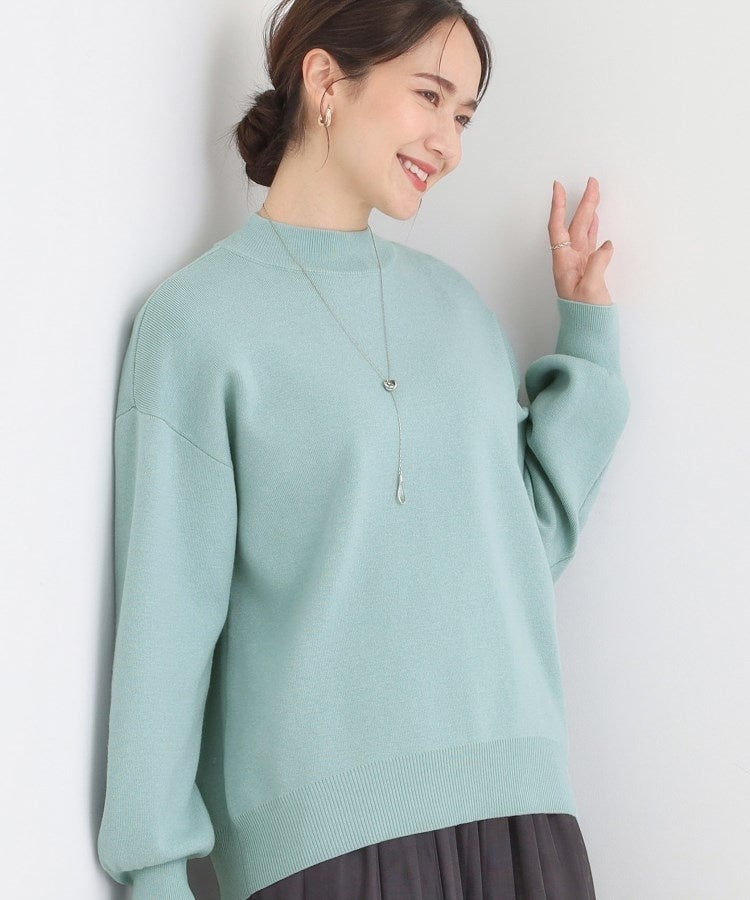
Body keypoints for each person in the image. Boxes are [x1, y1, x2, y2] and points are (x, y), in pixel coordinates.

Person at [96, 0, 630, 897]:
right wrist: (154, 871)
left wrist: (588, 340)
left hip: (520, 815)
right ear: (326, 79)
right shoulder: (197, 325)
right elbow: (167, 617)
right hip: (325, 845)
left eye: (464, 117)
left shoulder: (458, 310)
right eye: (430, 96)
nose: (449, 144)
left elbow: (515, 548)